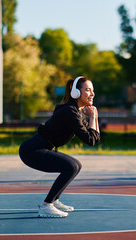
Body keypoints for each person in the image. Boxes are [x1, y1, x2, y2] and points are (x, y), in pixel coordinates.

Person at [19, 76, 100, 218]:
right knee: (72, 166)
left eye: (92, 90)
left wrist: (94, 117)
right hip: (32, 150)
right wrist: (93, 117)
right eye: (87, 90)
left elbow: (94, 139)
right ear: (76, 92)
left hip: (40, 148)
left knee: (76, 165)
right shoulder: (70, 112)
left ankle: (54, 201)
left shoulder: (77, 113)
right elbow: (90, 140)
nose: (92, 94)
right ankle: (46, 206)